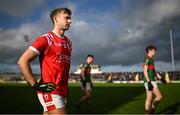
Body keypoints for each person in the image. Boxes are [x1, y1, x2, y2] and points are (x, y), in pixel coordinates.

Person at [18, 8, 72, 114]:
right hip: (50, 90)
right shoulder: (46, 39)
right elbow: (22, 60)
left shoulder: (68, 42)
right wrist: (35, 84)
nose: (70, 21)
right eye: (67, 18)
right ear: (55, 19)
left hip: (63, 90)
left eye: (70, 18)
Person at [143, 45, 167, 114]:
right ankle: (151, 112)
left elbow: (153, 71)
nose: (155, 52)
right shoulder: (147, 58)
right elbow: (145, 70)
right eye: (154, 50)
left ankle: (149, 113)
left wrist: (161, 78)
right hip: (150, 81)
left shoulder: (151, 60)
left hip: (150, 80)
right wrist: (148, 81)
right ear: (150, 51)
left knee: (149, 98)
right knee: (159, 96)